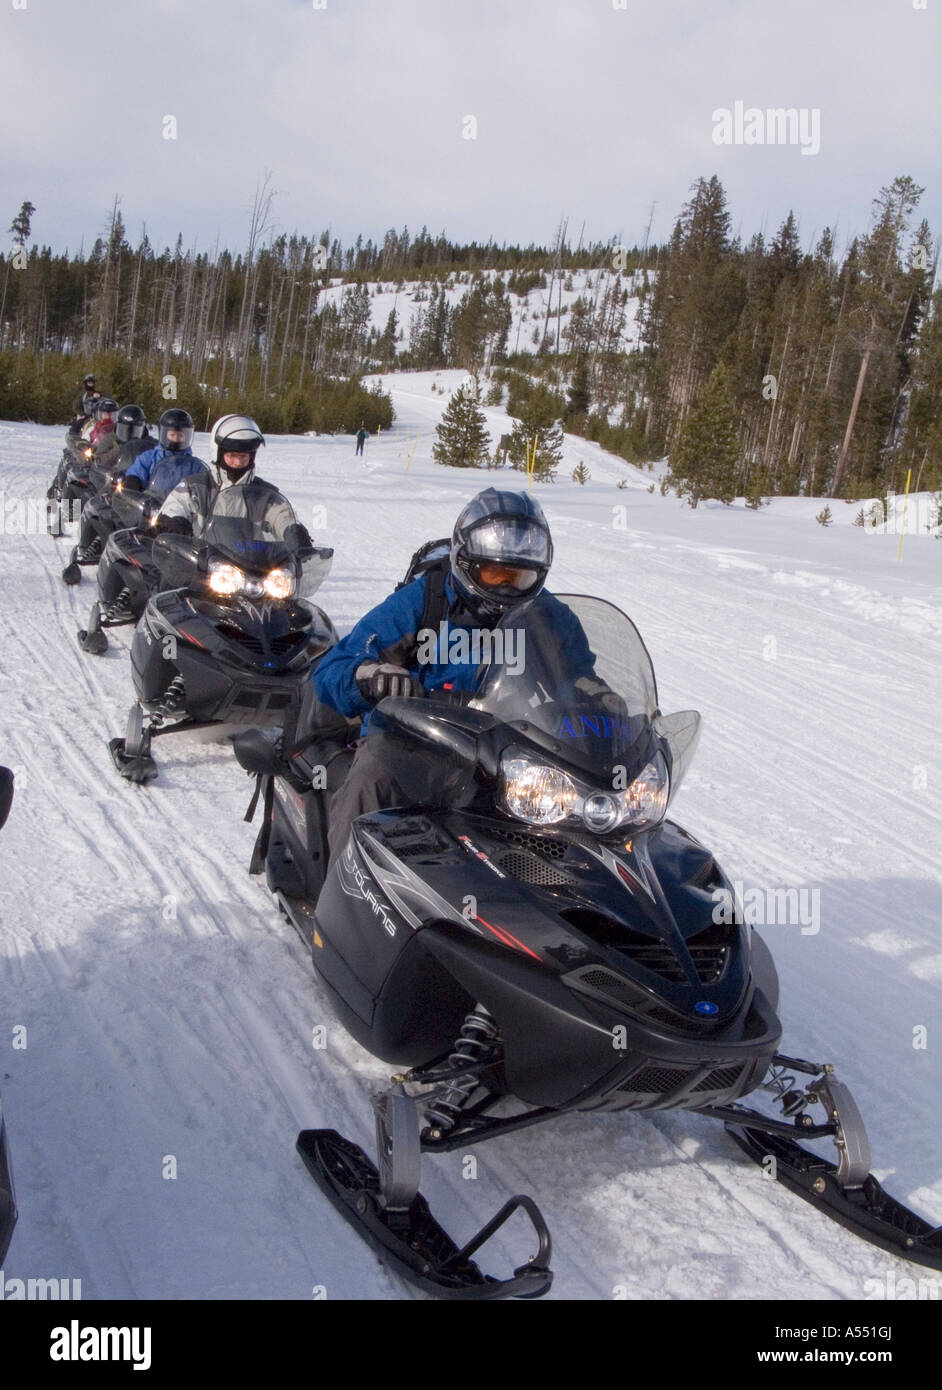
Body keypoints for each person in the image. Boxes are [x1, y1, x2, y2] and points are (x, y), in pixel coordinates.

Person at [313, 488, 592, 861]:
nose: (505, 587)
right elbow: (333, 668)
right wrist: (372, 675)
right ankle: (342, 903)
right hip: (411, 743)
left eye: (519, 577)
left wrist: (602, 702)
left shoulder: (548, 618)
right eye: (493, 573)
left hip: (507, 752)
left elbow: (577, 678)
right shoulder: (423, 601)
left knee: (573, 820)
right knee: (369, 786)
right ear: (465, 560)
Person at [154, 413, 311, 546]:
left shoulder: (264, 494)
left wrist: (292, 531)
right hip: (200, 567)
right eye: (232, 456)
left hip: (253, 569)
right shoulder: (195, 486)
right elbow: (176, 505)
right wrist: (174, 522)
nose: (237, 462)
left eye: (243, 456)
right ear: (218, 454)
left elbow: (281, 514)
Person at [122, 408, 208, 496]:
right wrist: (133, 481)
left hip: (182, 508)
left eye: (180, 436)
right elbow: (137, 471)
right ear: (163, 434)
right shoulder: (149, 457)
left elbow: (205, 484)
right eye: (172, 435)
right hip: (152, 504)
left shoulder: (195, 465)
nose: (176, 439)